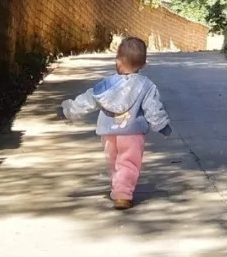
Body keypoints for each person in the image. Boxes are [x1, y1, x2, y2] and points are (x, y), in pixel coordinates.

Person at [60, 36, 173, 208]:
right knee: (129, 162)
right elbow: (153, 108)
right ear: (143, 64)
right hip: (133, 133)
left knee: (113, 161)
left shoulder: (107, 85)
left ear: (117, 60)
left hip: (109, 133)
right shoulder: (146, 85)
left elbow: (89, 99)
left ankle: (118, 186)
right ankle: (123, 193)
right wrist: (162, 126)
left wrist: (69, 110)